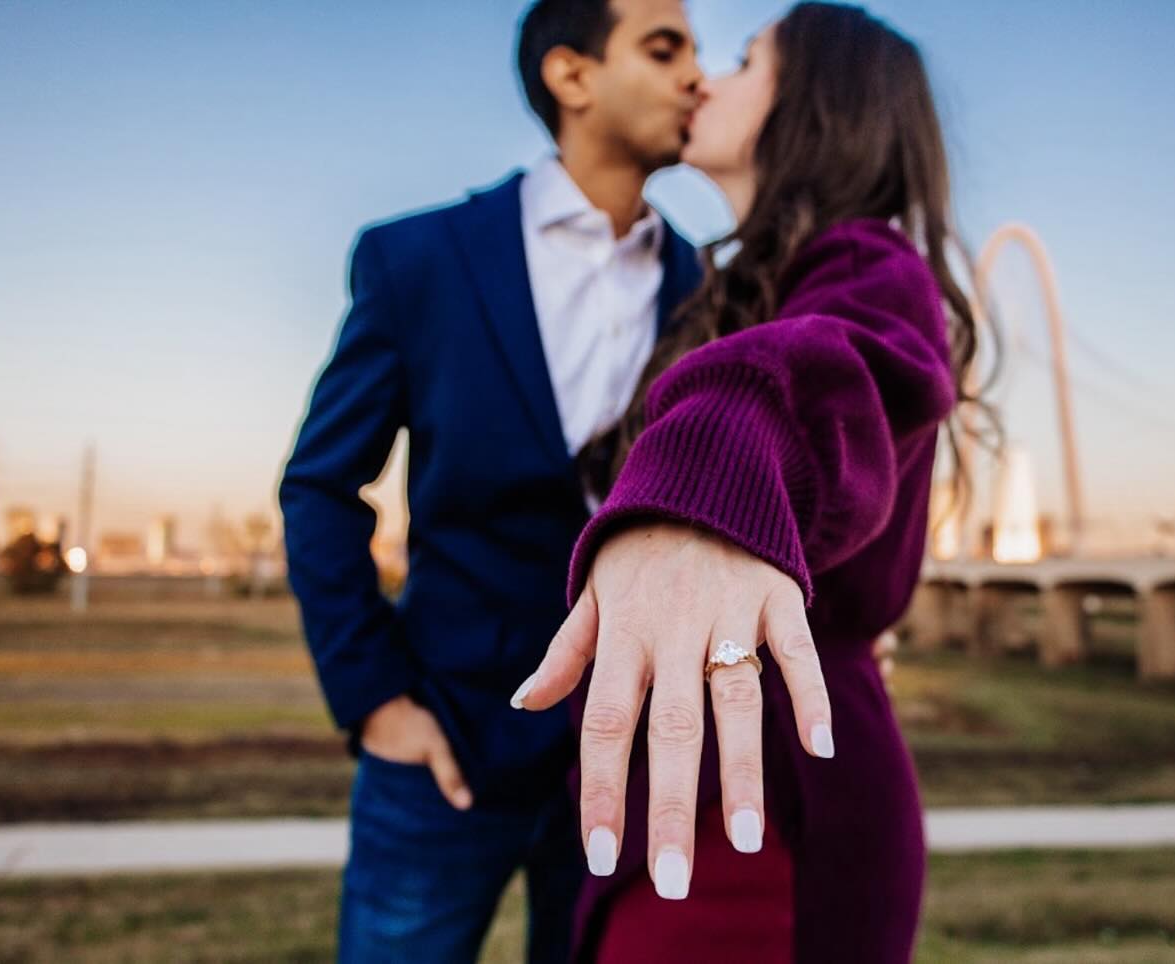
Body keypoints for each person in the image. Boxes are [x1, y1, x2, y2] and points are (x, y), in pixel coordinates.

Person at [514, 4, 988, 961]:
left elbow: (824, 370)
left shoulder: (870, 265)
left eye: (740, 60)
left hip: (766, 815)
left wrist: (705, 489)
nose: (704, 80)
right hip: (709, 792)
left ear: (815, 102)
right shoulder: (731, 285)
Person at [278, 1, 703, 960]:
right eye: (664, 48)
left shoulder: (709, 288)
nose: (696, 78)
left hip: (626, 763)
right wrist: (376, 701)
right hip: (443, 745)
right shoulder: (419, 259)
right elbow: (319, 488)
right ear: (572, 75)